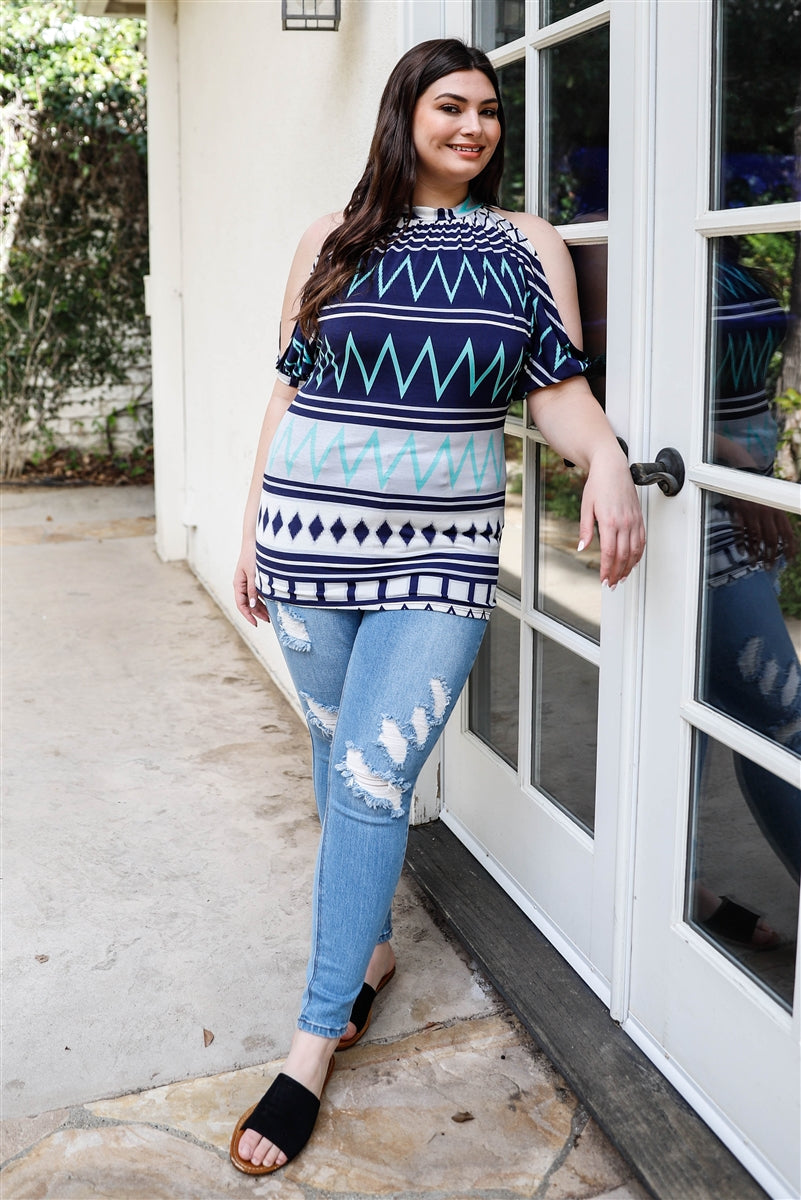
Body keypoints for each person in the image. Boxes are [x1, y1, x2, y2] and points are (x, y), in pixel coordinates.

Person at [229, 38, 645, 1176]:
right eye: (450, 105)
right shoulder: (329, 238)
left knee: (374, 778)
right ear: (403, 113)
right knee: (336, 757)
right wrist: (251, 524)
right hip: (306, 541)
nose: (473, 126)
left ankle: (311, 1045)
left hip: (440, 557)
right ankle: (368, 956)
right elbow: (289, 392)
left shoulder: (525, 246)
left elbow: (558, 390)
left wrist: (606, 458)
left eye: (489, 111)